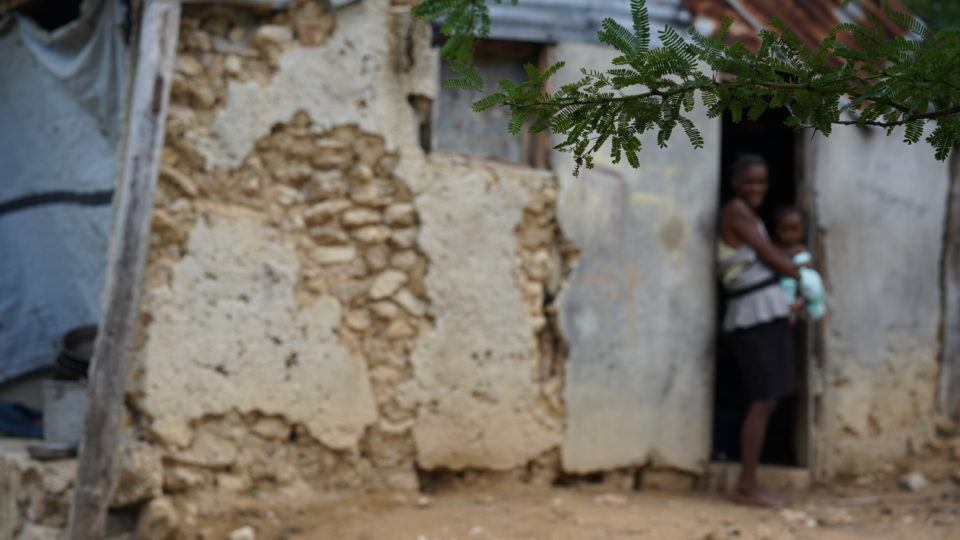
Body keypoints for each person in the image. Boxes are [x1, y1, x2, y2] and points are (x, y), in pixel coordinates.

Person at [717, 154, 800, 507]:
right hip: (752, 316)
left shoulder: (748, 215)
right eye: (749, 181)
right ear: (735, 183)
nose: (756, 188)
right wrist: (803, 275)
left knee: (767, 400)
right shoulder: (735, 210)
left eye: (762, 182)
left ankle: (749, 483)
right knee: (763, 400)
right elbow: (767, 255)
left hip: (764, 313)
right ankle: (746, 487)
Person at [772, 207, 826, 321]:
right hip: (777, 300)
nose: (789, 234)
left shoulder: (801, 250)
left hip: (797, 298)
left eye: (794, 229)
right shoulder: (773, 250)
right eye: (784, 229)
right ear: (776, 229)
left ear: (802, 230)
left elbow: (808, 276)